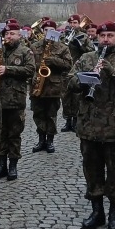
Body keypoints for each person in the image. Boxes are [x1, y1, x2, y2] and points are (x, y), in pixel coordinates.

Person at [69, 21, 115, 229]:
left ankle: (114, 214)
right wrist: (83, 80)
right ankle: (97, 211)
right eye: (103, 36)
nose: (106, 40)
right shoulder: (86, 58)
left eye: (110, 36)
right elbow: (69, 82)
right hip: (90, 126)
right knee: (92, 172)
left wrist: (112, 72)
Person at [0, 22, 35, 181]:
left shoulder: (25, 51)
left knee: (14, 134)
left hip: (16, 99)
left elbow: (30, 70)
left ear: (19, 35)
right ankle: (1, 165)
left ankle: (13, 165)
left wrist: (8, 70)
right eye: (6, 34)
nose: (9, 37)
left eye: (12, 34)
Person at [29, 20, 73, 154]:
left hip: (53, 87)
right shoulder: (34, 46)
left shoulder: (62, 48)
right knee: (38, 114)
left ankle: (50, 141)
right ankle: (41, 139)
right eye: (46, 30)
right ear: (43, 31)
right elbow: (29, 66)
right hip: (37, 85)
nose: (48, 32)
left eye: (51, 30)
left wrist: (53, 61)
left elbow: (68, 65)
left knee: (51, 114)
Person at [59, 15, 94, 133]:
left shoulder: (84, 36)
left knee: (76, 96)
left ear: (79, 23)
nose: (73, 25)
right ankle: (67, 120)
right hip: (65, 69)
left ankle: (75, 121)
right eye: (71, 23)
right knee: (65, 96)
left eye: (75, 23)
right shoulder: (64, 35)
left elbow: (90, 51)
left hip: (77, 68)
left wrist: (79, 44)